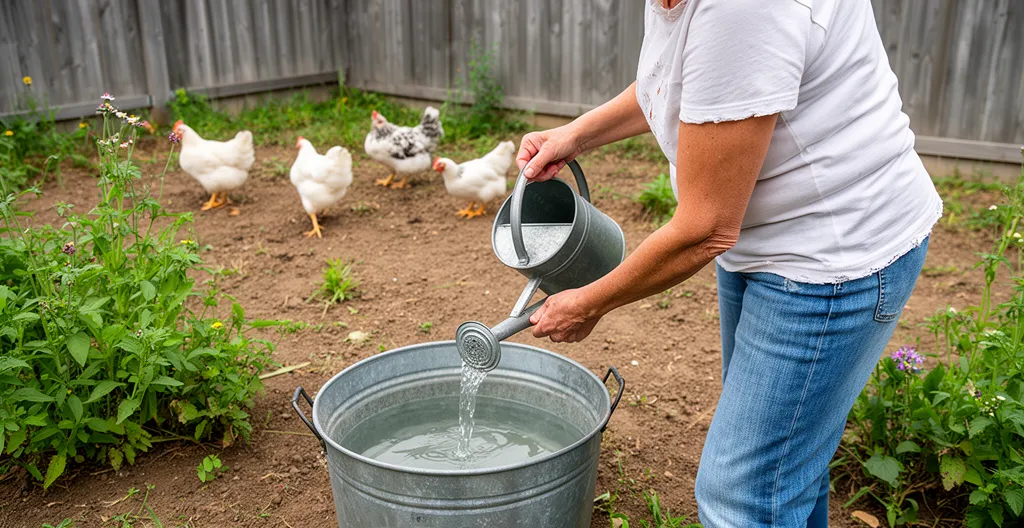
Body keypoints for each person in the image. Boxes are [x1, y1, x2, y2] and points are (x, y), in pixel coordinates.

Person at [516, 0, 942, 526]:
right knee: (782, 470)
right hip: (765, 240)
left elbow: (706, 226)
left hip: (831, 259)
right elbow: (686, 84)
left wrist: (589, 301)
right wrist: (575, 135)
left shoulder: (745, 9)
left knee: (742, 497)